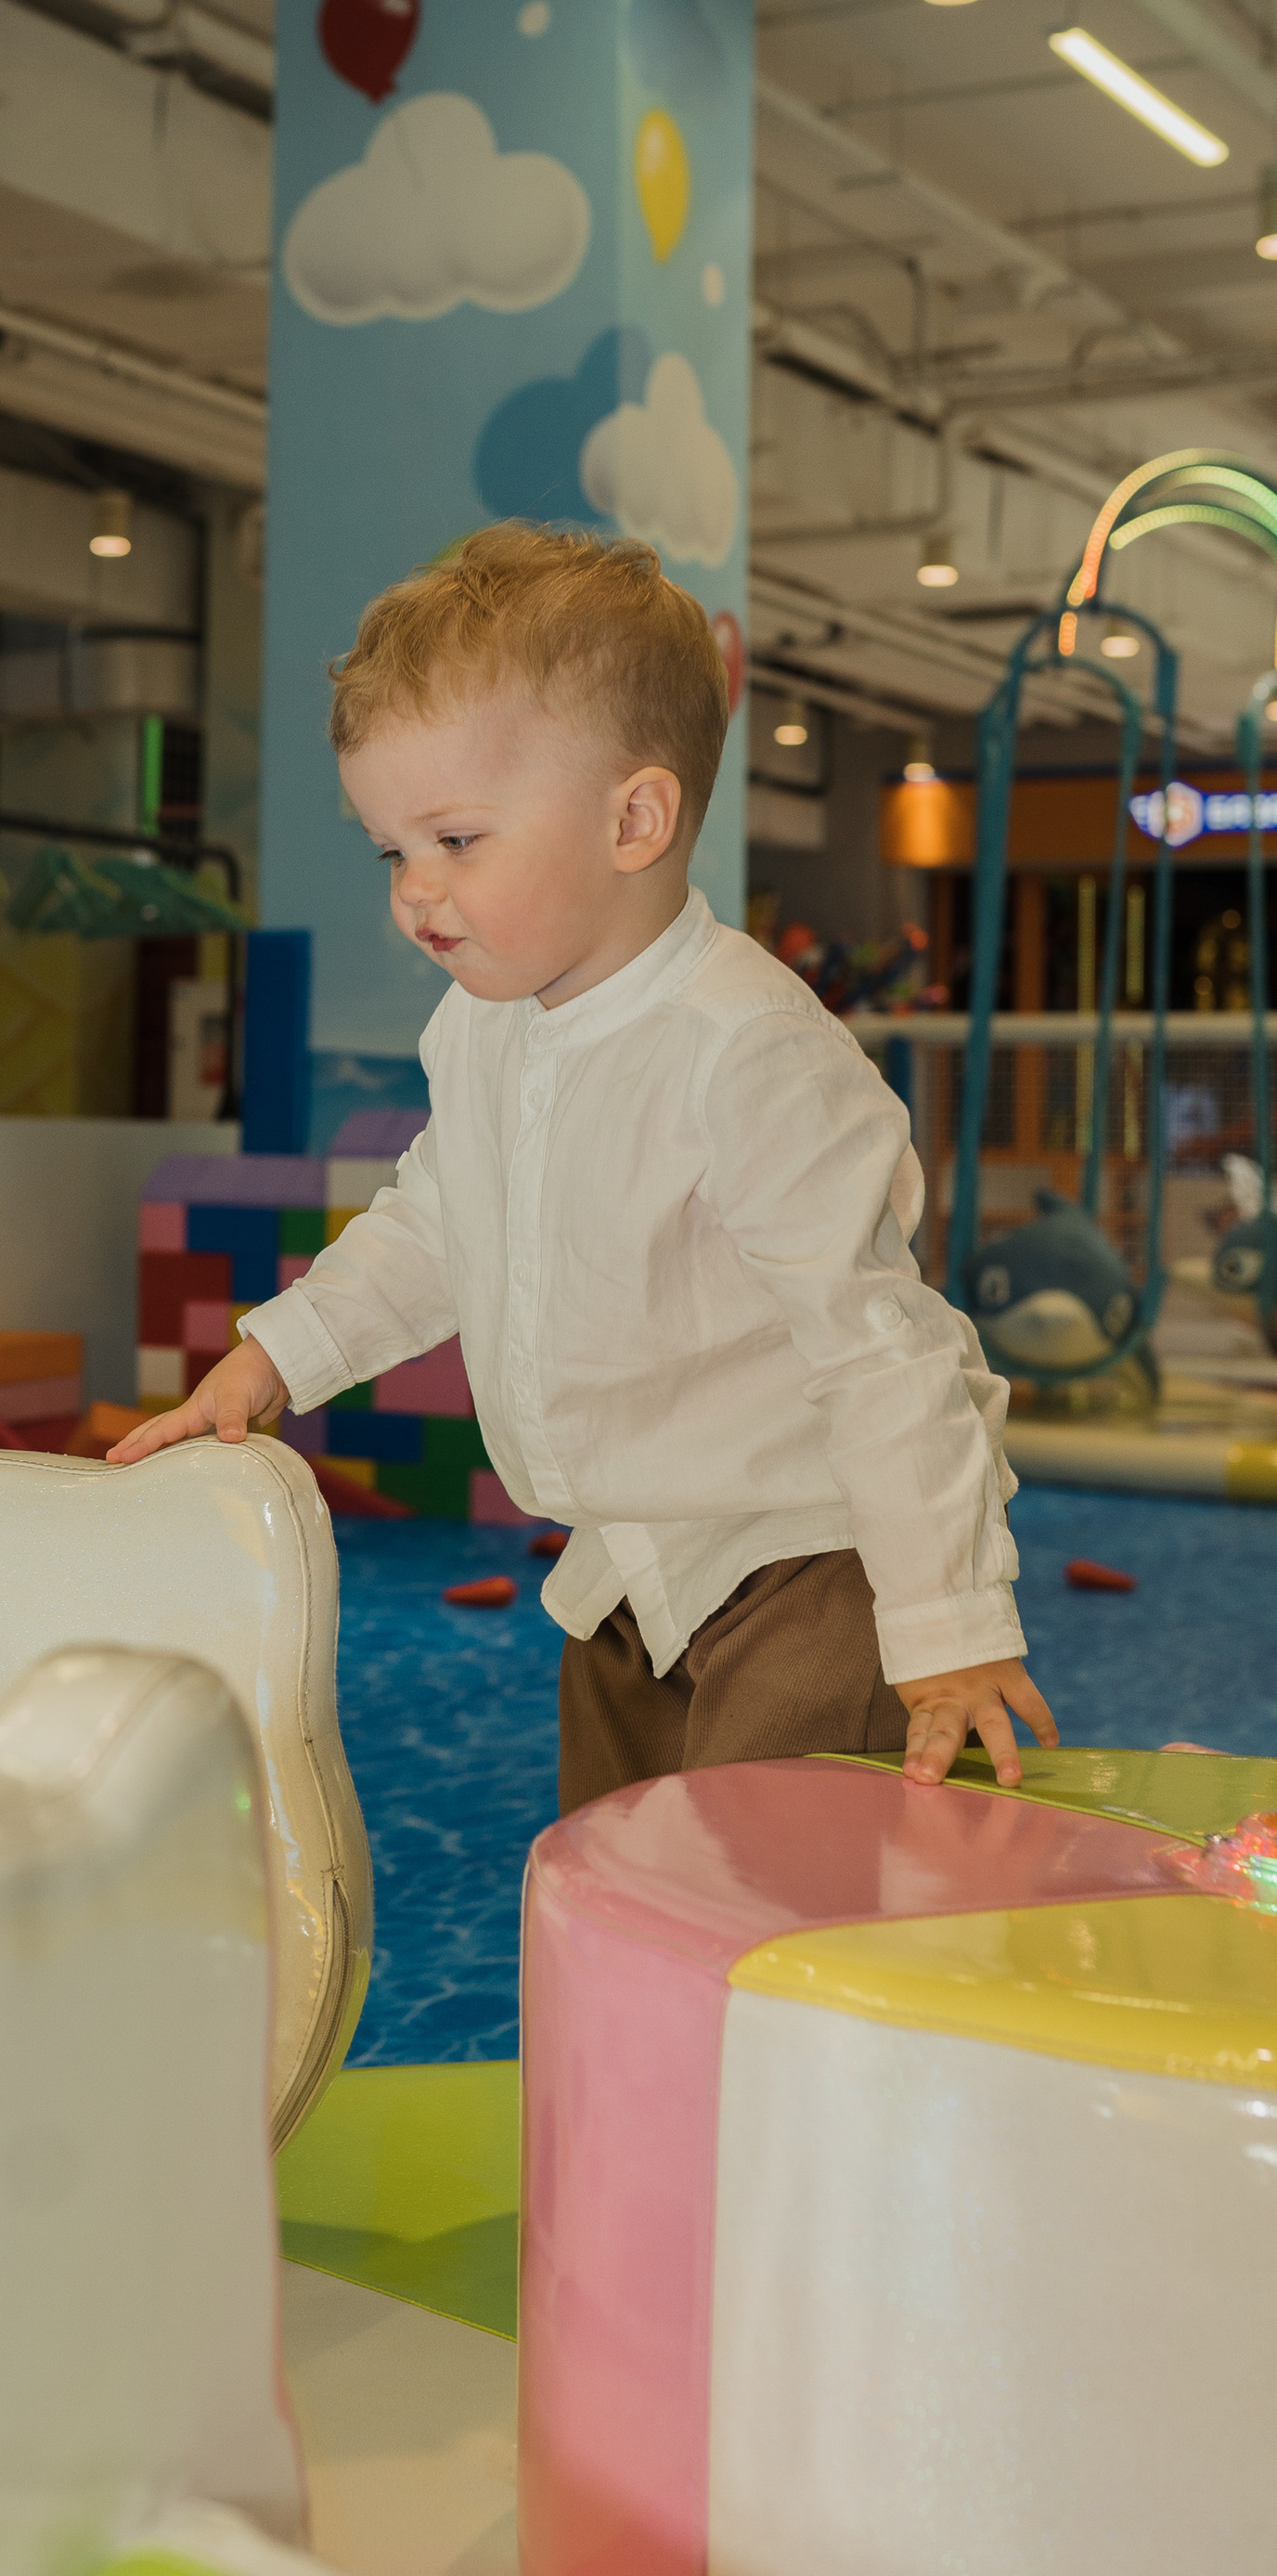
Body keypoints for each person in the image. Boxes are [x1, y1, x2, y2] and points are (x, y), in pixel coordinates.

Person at [112, 524, 1057, 1813]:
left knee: (768, 1891)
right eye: (395, 851)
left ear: (635, 819)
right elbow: (438, 1227)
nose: (412, 893)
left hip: (812, 1558)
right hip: (627, 1565)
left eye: (455, 842)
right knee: (612, 1876)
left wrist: (949, 1626)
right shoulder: (489, 1025)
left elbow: (877, 1346)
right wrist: (276, 1357)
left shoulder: (747, 1053)